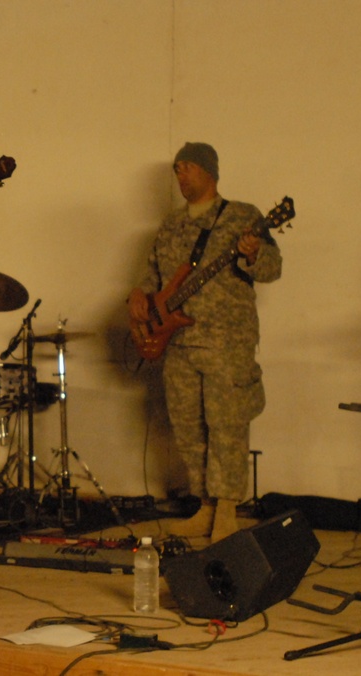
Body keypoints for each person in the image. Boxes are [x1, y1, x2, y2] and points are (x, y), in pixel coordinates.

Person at [127, 142, 282, 542]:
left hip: (225, 343)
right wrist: (140, 296)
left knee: (226, 426)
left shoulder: (242, 217)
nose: (181, 176)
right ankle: (205, 506)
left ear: (210, 172)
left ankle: (228, 508)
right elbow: (153, 276)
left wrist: (252, 254)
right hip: (178, 343)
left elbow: (271, 268)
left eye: (188, 168)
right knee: (189, 427)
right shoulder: (170, 226)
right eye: (177, 169)